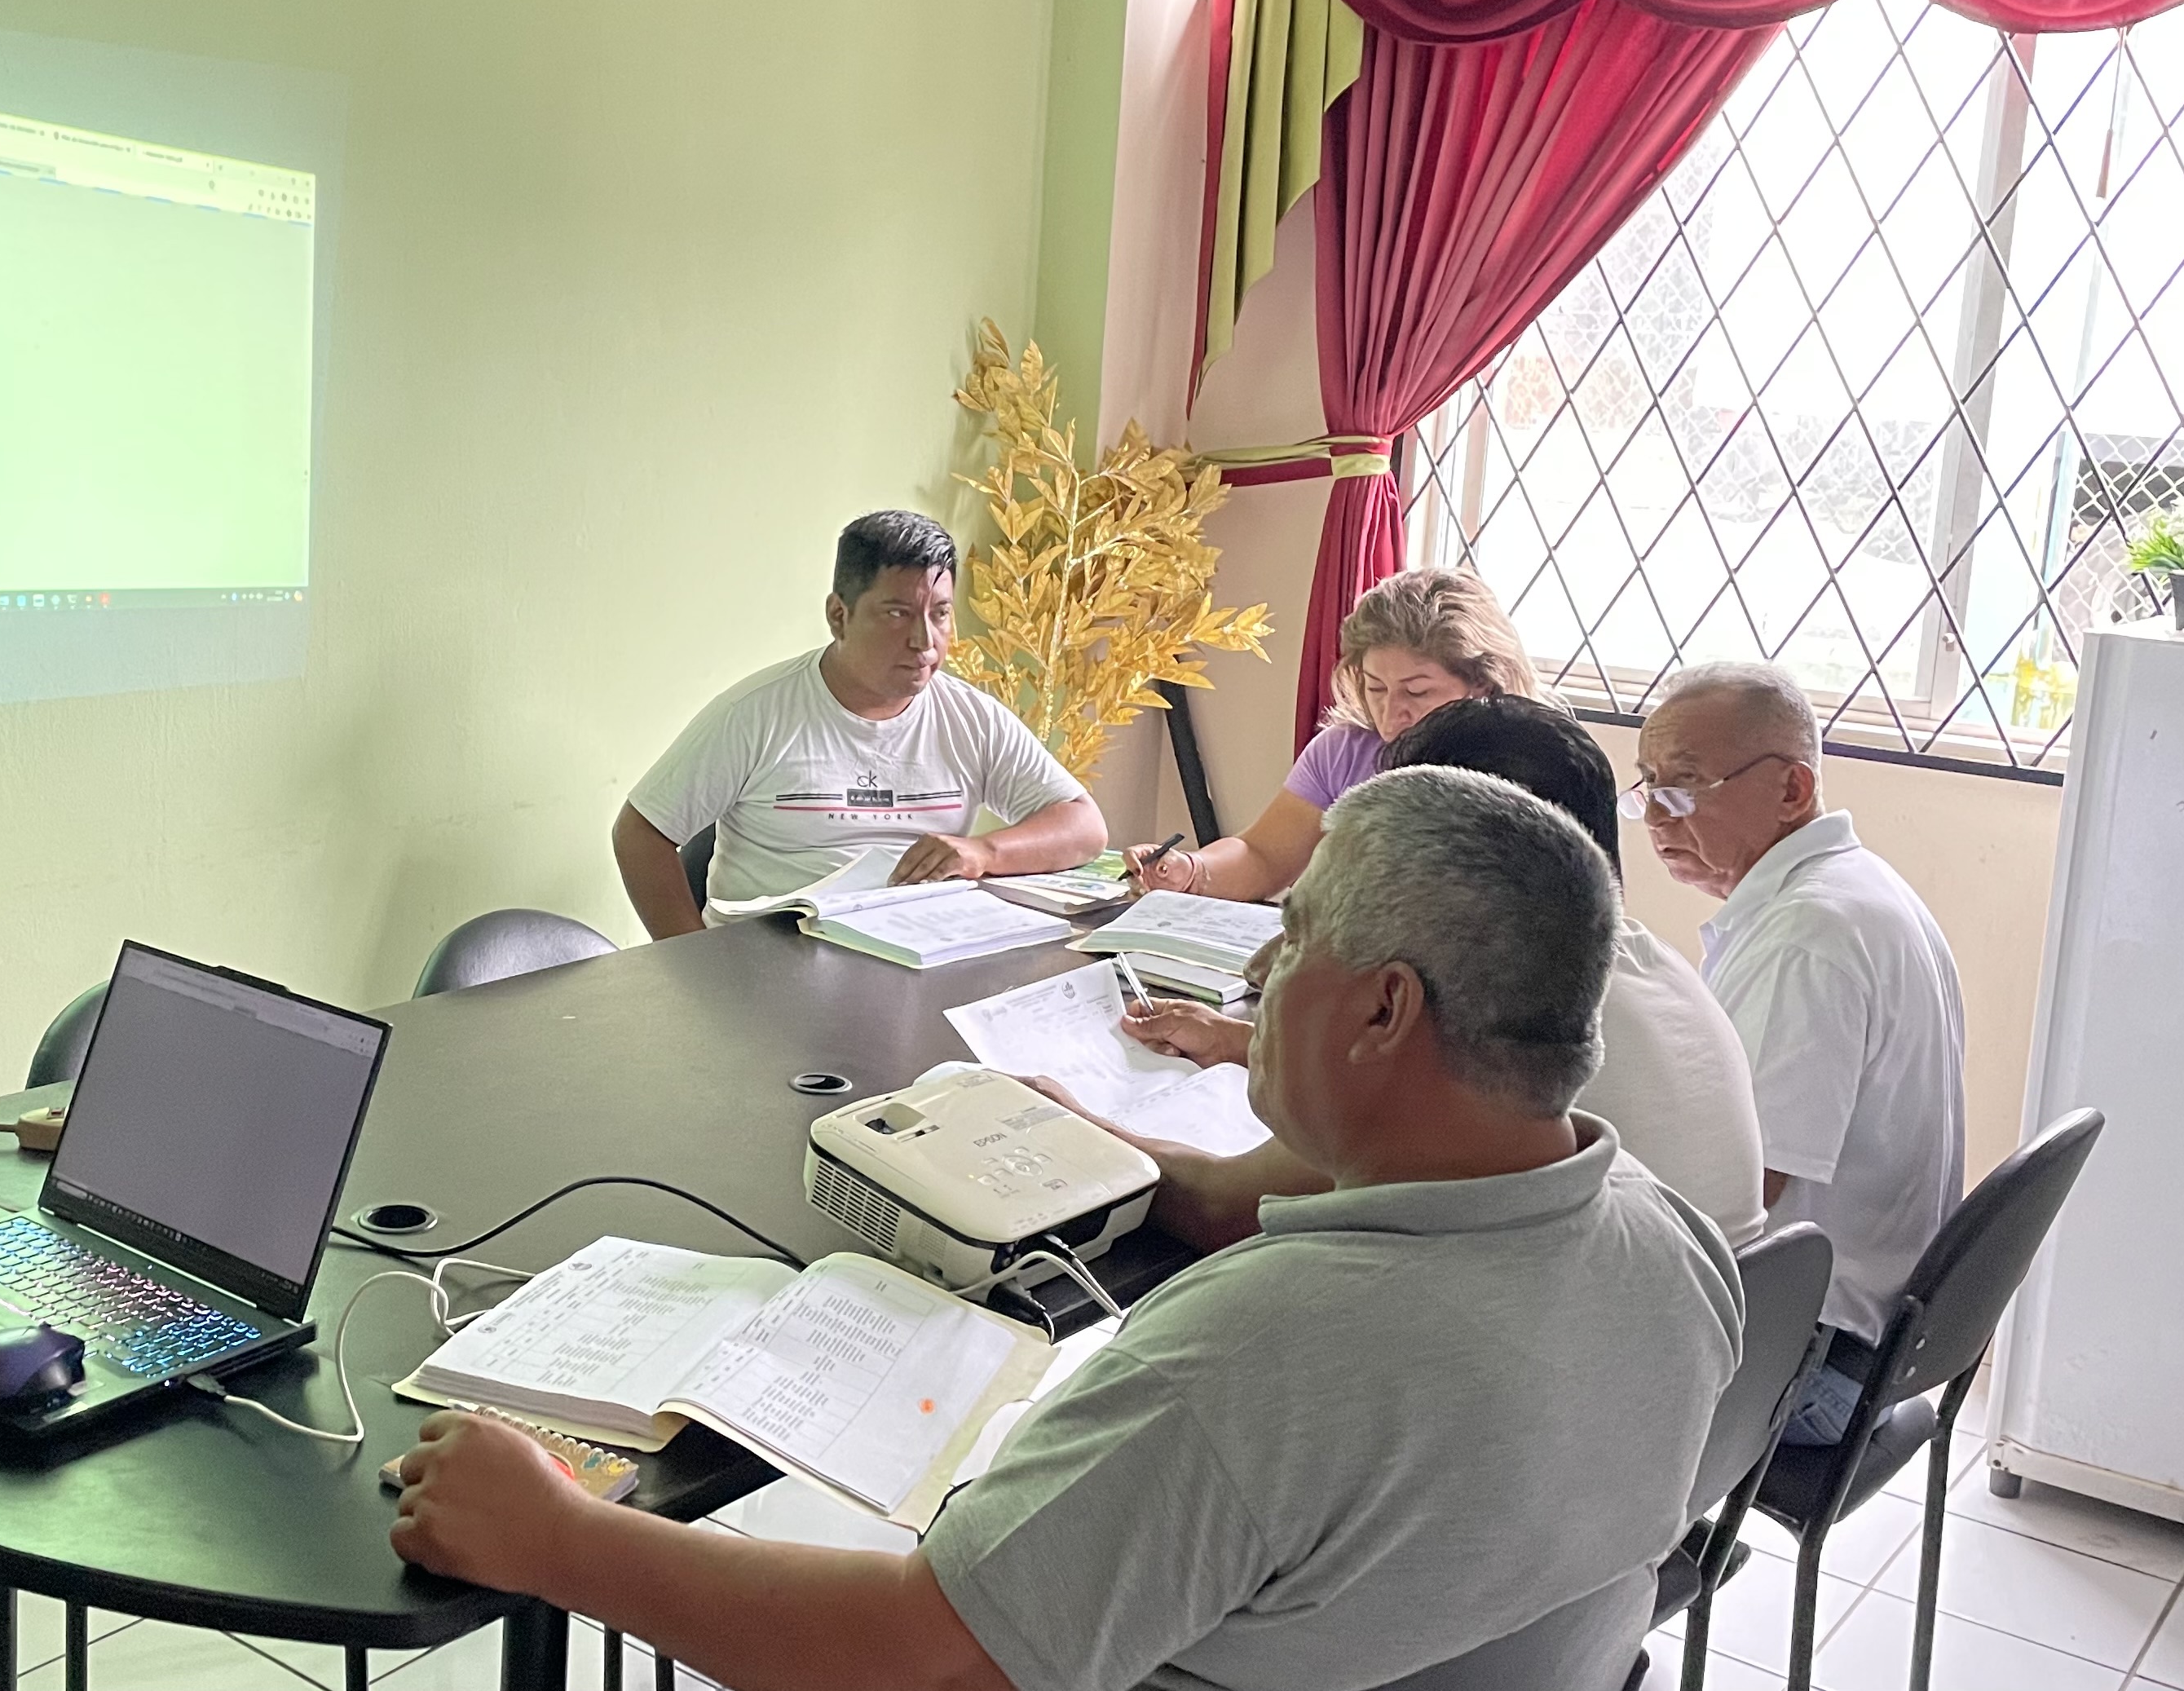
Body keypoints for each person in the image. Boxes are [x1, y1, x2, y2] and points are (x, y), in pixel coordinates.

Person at [394, 769, 1741, 1691]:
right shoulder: (1673, 1252)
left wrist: (556, 1537)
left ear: (1386, 1010)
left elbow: (912, 1657)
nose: (1255, 969)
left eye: (1293, 936)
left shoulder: (1257, 1358)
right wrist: (1128, 1162)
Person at [1115, 696, 1769, 1245]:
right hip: (1695, 1341)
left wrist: (1065, 1123)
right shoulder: (1640, 964)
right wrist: (1241, 1041)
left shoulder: (1497, 1012)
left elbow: (1219, 1207)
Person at [1632, 662, 1966, 1446]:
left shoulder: (1806, 938)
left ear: (1792, 789)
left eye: (1685, 786)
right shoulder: (1852, 884)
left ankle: (1647, 1531)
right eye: (1646, 786)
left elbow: (1743, 1188)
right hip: (1868, 1340)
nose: (1654, 816)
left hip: (1813, 1365)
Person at [614, 510, 1105, 937]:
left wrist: (984, 851)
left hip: (916, 952)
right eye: (897, 614)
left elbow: (1084, 826)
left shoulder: (971, 718)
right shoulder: (755, 713)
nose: (924, 641)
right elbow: (640, 833)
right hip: (771, 962)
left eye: (939, 614)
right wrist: (690, 965)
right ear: (838, 616)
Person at [1130, 567, 1536, 900]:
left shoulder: (1529, 765)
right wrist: (1191, 871)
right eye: (1376, 688)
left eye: (1417, 692)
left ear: (1482, 685)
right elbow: (1262, 855)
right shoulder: (1344, 750)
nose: (1390, 714)